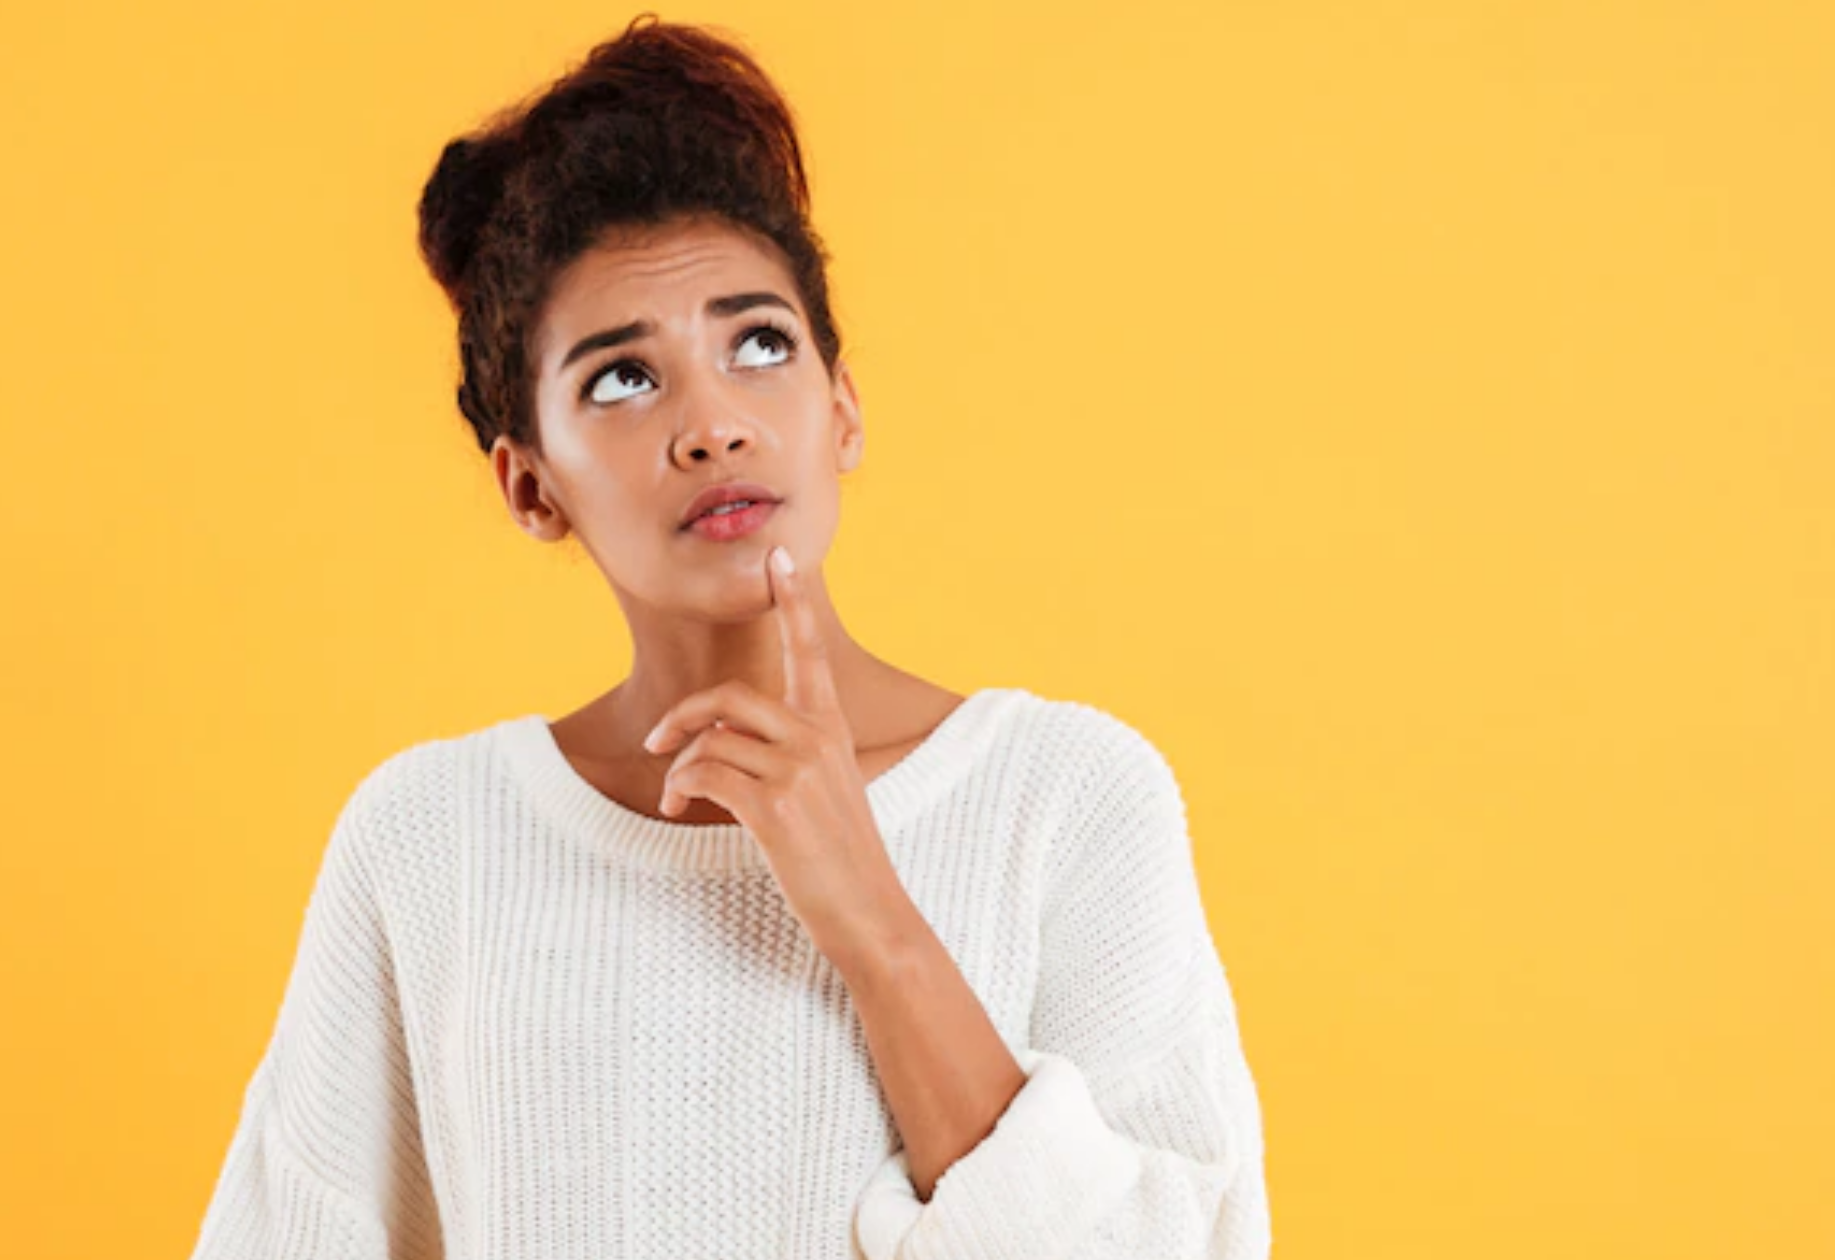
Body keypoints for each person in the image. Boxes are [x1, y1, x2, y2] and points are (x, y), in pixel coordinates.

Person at [186, 13, 1271, 1260]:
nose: (711, 423)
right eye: (621, 378)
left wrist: (868, 913)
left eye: (759, 344)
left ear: (841, 406)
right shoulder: (430, 843)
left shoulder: (1067, 800)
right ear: (530, 485)